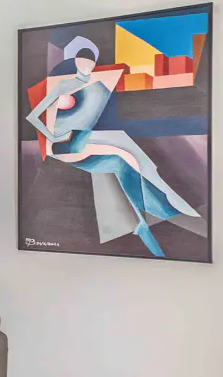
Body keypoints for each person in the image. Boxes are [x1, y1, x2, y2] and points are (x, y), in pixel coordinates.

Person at [25, 36, 200, 258]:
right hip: (64, 144)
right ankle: (164, 201)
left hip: (79, 138)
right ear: (76, 62)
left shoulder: (95, 83)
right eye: (83, 62)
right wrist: (52, 136)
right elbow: (33, 116)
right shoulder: (64, 85)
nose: (88, 67)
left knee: (122, 158)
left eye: (91, 63)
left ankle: (144, 214)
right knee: (122, 150)